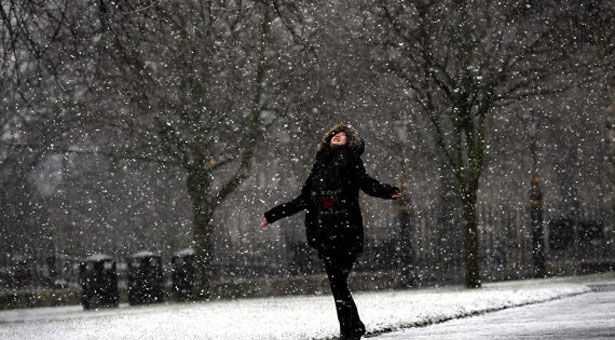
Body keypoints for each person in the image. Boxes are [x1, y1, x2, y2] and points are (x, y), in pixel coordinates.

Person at [260, 124, 401, 340]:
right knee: (338, 283)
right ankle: (353, 328)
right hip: (324, 232)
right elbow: (305, 199)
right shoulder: (318, 165)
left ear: (350, 142)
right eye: (335, 133)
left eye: (343, 135)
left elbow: (365, 182)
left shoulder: (351, 159)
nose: (338, 136)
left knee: (338, 283)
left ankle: (350, 330)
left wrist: (387, 191)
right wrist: (273, 215)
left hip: (346, 230)